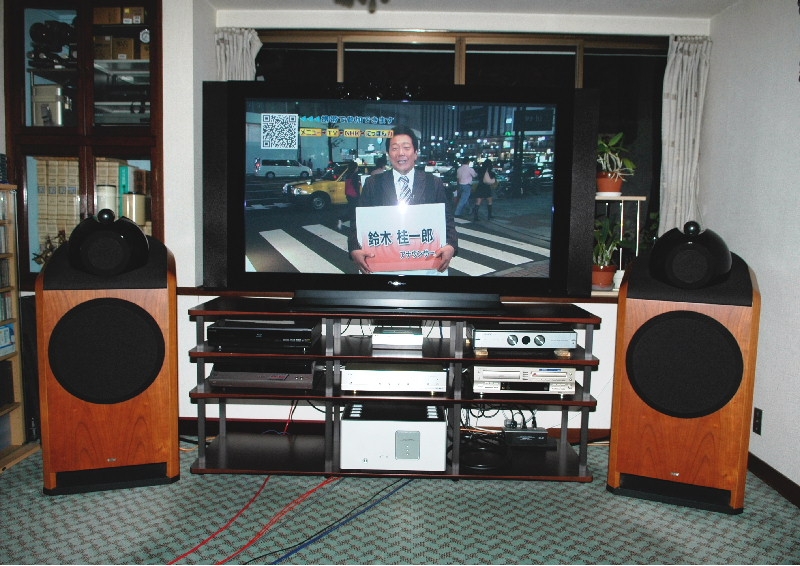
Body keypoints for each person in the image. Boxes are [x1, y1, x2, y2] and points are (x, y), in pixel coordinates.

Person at [348, 125, 457, 274]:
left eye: (406, 147)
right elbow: (358, 222)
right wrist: (354, 248)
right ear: (388, 154)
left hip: (424, 266)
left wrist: (451, 245)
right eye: (394, 148)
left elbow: (447, 220)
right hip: (384, 266)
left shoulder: (433, 182)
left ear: (416, 153)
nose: (401, 153)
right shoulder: (373, 183)